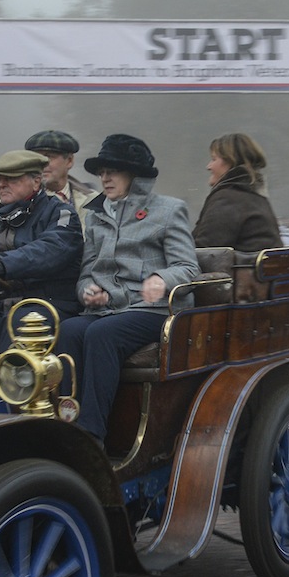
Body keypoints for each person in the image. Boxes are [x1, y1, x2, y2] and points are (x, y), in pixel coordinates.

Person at [55, 134, 198, 442]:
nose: (105, 178)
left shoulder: (169, 210)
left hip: (156, 310)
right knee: (68, 330)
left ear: (135, 175)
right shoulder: (95, 215)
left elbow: (188, 269)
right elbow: (86, 273)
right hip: (108, 310)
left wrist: (161, 280)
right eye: (102, 172)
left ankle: (90, 437)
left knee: (101, 334)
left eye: (113, 171)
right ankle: (65, 424)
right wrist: (88, 291)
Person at [0, 149, 84, 351]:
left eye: (12, 179)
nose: (2, 184)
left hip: (45, 304)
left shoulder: (61, 213)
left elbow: (50, 249)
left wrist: (0, 264)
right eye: (0, 179)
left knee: (19, 326)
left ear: (36, 182)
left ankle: (13, 382)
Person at [192, 132, 282, 252]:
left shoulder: (228, 198)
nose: (208, 166)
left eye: (214, 159)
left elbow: (205, 250)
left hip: (239, 270)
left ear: (230, 161)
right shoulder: (256, 198)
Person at [24, 130, 95, 219]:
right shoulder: (15, 199)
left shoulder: (93, 200)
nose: (41, 163)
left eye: (48, 157)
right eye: (36, 158)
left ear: (69, 161)